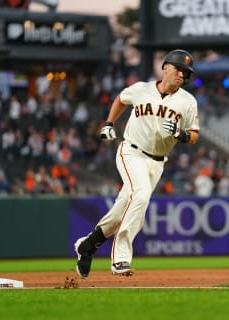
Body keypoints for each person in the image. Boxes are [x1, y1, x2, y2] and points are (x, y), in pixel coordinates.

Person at [74, 49, 199, 278]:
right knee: (140, 195)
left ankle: (87, 246)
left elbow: (194, 134)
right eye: (178, 69)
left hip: (157, 163)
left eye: (186, 72)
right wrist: (109, 123)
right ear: (165, 67)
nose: (182, 74)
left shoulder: (188, 102)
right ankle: (121, 257)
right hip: (131, 152)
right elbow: (121, 99)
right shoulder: (142, 89)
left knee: (121, 210)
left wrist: (181, 135)